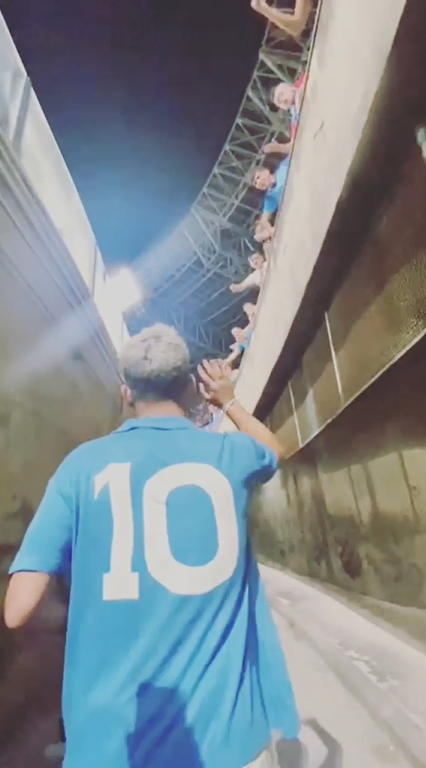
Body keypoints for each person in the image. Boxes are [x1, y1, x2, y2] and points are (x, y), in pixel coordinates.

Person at [4, 324, 299, 768]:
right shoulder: (229, 456)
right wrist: (228, 401)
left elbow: (17, 610)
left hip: (110, 746)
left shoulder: (80, 467)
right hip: (223, 743)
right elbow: (273, 449)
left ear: (126, 394)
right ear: (189, 387)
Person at [263, 72, 307, 157]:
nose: (284, 100)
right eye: (280, 102)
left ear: (286, 85)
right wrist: (278, 148)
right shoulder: (295, 121)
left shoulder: (302, 79)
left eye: (281, 94)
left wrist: (299, 94)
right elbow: (293, 146)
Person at [253, 157, 290, 230]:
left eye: (258, 177)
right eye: (255, 183)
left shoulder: (284, 166)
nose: (259, 182)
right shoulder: (270, 197)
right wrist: (265, 228)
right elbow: (264, 220)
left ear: (266, 171)